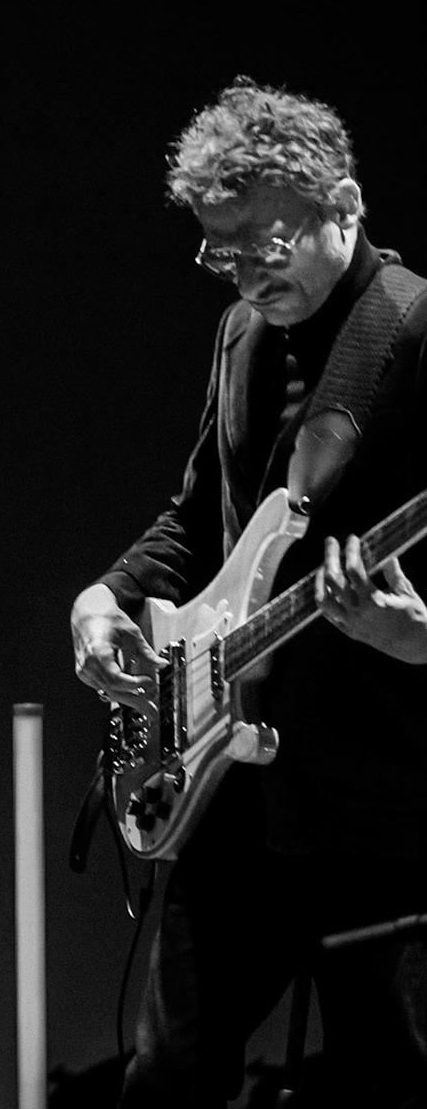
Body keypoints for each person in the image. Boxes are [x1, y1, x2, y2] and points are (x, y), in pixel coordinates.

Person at [70, 79, 427, 1106]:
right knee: (168, 1077)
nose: (237, 271)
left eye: (258, 242)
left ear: (344, 202)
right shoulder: (240, 336)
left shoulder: (413, 328)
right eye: (216, 249)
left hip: (380, 810)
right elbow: (198, 519)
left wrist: (416, 637)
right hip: (232, 793)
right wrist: (104, 596)